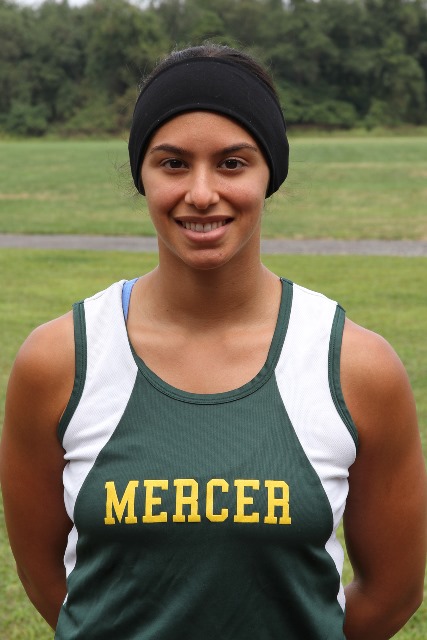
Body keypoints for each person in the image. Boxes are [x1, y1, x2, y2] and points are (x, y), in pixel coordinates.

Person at [0, 43, 426, 640]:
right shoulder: (59, 361)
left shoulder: (357, 366)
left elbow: (392, 593)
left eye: (232, 163)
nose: (201, 193)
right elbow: (47, 578)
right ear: (142, 175)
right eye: (173, 163)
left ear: (270, 173)